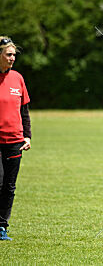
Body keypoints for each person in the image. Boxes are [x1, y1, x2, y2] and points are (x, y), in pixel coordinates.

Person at [0, 36, 31, 241]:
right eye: (8, 54)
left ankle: (2, 226)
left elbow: (24, 110)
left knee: (9, 187)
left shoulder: (18, 78)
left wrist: (27, 135)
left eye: (14, 55)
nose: (12, 58)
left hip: (14, 141)